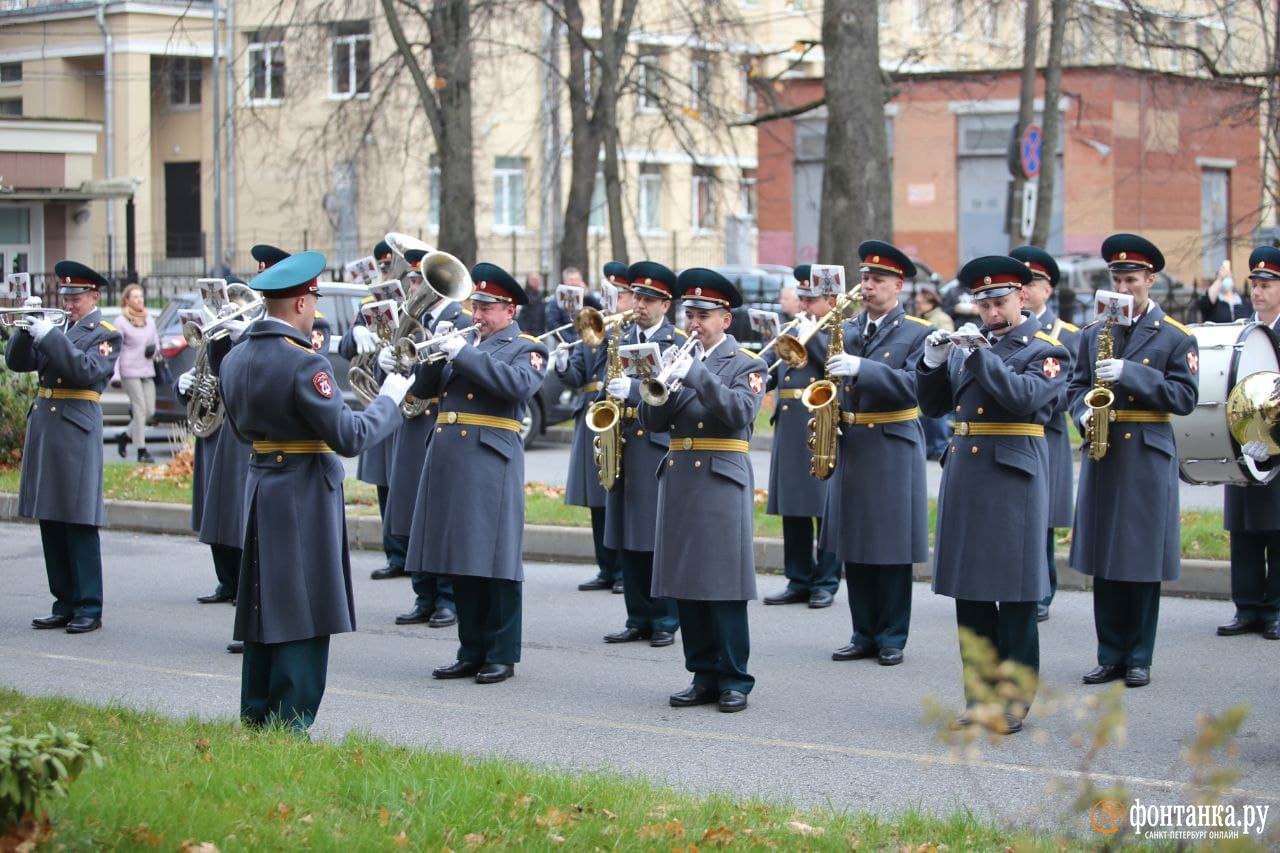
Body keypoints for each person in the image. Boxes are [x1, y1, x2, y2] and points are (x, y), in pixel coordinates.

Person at [218, 251, 409, 731]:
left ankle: (257, 713)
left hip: (262, 483)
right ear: (303, 302)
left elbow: (241, 430)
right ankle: (292, 720)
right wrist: (390, 398)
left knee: (265, 602)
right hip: (304, 490)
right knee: (306, 605)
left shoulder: (236, 355)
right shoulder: (306, 363)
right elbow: (350, 436)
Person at [916, 255, 1069, 734]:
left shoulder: (1046, 350)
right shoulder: (970, 345)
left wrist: (979, 352)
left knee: (1017, 595)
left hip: (1013, 475)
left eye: (1000, 302)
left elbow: (1024, 398)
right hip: (967, 471)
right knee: (972, 593)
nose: (991, 313)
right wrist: (932, 362)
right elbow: (935, 405)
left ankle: (1015, 700)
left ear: (1022, 297)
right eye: (984, 305)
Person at [1069, 234, 1198, 689]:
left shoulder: (1175, 336)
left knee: (1140, 558)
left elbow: (1184, 397)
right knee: (1106, 556)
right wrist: (1082, 411)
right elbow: (1074, 385)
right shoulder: (1093, 333)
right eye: (1117, 279)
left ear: (1151, 281)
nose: (1124, 287)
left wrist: (1133, 374)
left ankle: (1139, 655)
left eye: (1132, 279)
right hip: (1105, 451)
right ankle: (1110, 653)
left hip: (1145, 452)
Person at [411, 263, 548, 685]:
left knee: (496, 562)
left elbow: (517, 387)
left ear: (510, 311)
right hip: (451, 459)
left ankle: (501, 654)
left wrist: (463, 355)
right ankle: (470, 649)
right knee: (462, 560)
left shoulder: (525, 347)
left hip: (491, 462)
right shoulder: (464, 342)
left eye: (488, 308)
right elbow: (422, 389)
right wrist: (432, 354)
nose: (478, 315)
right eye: (476, 305)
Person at [638, 268, 766, 713]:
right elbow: (650, 423)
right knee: (687, 581)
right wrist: (657, 385)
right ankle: (702, 674)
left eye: (704, 315)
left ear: (725, 320)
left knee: (724, 583)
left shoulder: (748, 364)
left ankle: (735, 678)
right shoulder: (675, 358)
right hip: (680, 475)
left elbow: (737, 413)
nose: (694, 323)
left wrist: (695, 374)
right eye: (689, 313)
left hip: (721, 476)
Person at [821, 242, 931, 666]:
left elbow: (914, 386)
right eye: (865, 278)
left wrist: (863, 369)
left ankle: (892, 635)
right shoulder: (845, 329)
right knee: (856, 542)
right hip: (853, 443)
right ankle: (862, 631)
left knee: (891, 546)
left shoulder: (917, 332)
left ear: (898, 285)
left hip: (892, 443)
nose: (867, 286)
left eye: (877, 280)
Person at [8, 260, 121, 635]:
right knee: (51, 518)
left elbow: (88, 372)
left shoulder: (105, 332)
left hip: (76, 427)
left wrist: (50, 337)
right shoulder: (58, 327)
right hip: (47, 426)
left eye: (76, 297)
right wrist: (27, 329)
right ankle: (64, 601)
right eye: (66, 296)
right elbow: (17, 362)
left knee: (78, 519)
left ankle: (89, 605)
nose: (69, 304)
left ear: (94, 295)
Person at [599, 261, 683, 647]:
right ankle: (637, 616)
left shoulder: (676, 342)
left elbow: (673, 397)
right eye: (637, 296)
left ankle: (665, 618)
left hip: (655, 443)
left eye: (649, 299)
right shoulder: (619, 335)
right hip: (624, 441)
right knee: (627, 533)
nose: (640, 304)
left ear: (665, 305)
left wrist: (630, 392)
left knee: (654, 534)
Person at [387, 248, 467, 629]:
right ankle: (423, 594)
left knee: (441, 512)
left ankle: (447, 597)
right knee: (411, 509)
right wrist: (385, 362)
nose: (415, 287)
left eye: (420, 281)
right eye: (413, 280)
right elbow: (397, 360)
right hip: (413, 419)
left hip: (441, 416)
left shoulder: (458, 319)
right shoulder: (408, 319)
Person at [174, 281, 254, 656]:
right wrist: (184, 387)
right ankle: (225, 580)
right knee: (212, 506)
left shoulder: (245, 339)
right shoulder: (213, 338)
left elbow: (235, 373)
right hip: (211, 428)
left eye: (233, 310)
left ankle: (240, 582)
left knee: (233, 507)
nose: (225, 317)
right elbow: (205, 373)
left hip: (235, 429)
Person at [762, 265, 841, 610]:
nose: (806, 306)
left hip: (820, 422)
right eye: (803, 299)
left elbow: (836, 366)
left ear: (830, 299)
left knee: (824, 507)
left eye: (813, 299)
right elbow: (766, 371)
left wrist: (815, 335)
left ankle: (826, 580)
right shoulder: (793, 327)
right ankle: (798, 578)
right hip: (790, 423)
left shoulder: (838, 328)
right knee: (793, 507)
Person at [1010, 246, 1080, 623]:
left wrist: (1036, 397)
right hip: (1011, 432)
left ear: (1048, 290)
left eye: (1032, 282)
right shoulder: (1003, 328)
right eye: (1019, 283)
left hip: (1046, 432)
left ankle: (1042, 590)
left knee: (1043, 518)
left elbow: (1075, 388)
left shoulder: (1067, 335)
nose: (1025, 289)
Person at [1217, 246, 1280, 641]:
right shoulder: (1241, 331)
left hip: (1278, 449)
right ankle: (1247, 607)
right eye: (1254, 284)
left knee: (1277, 532)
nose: (1257, 292)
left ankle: (1274, 610)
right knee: (1243, 531)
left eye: (1266, 285)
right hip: (1242, 446)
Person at [556, 264, 624, 594]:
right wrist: (563, 363)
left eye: (618, 293)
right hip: (592, 413)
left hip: (618, 411)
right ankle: (606, 568)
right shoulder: (592, 328)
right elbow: (577, 376)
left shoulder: (625, 328)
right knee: (597, 498)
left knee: (618, 497)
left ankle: (625, 569)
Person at [341, 239, 405, 580]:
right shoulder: (370, 303)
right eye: (382, 265)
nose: (385, 269)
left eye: (390, 264)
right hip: (379, 397)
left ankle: (413, 554)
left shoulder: (411, 300)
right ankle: (395, 554)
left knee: (406, 479)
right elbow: (344, 346)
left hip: (409, 398)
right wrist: (359, 332)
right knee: (384, 480)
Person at [112, 283, 159, 463]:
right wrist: (115, 375)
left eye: (141, 296)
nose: (140, 300)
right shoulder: (121, 321)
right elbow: (116, 350)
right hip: (129, 370)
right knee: (139, 409)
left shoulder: (149, 320)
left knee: (149, 411)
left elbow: (156, 342)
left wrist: (153, 350)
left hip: (147, 369)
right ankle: (142, 450)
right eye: (135, 297)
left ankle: (125, 436)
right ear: (127, 300)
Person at [520, 272, 547, 336]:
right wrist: (523, 329)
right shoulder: (523, 295)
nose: (536, 282)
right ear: (528, 281)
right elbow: (520, 315)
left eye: (538, 280)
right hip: (527, 332)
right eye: (534, 280)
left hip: (540, 331)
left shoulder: (540, 295)